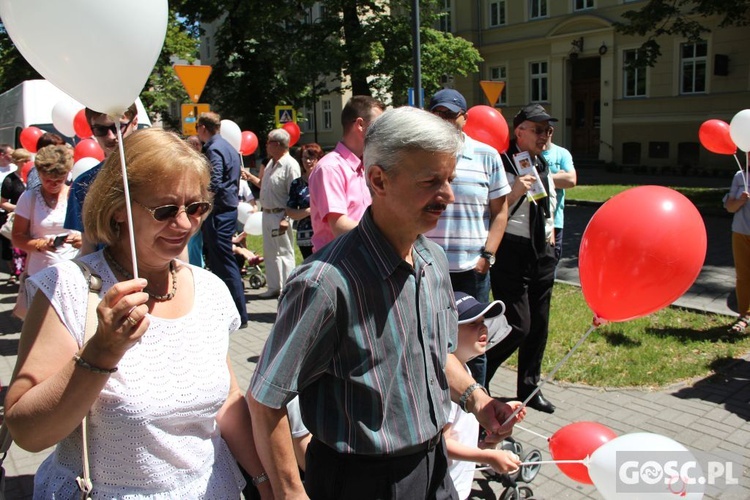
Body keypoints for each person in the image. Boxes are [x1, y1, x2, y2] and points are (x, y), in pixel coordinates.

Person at [248, 107, 523, 499]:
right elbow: (265, 400)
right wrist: (291, 492)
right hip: (361, 482)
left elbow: (437, 353)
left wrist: (478, 400)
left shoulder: (433, 260)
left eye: (449, 179)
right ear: (378, 180)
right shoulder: (324, 284)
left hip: (434, 467)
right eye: (431, 181)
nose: (446, 195)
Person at [3, 128, 271, 498]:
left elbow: (226, 401)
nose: (183, 224)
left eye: (195, 208)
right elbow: (27, 433)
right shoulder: (71, 287)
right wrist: (101, 352)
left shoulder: (209, 288)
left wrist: (265, 481)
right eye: (165, 210)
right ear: (118, 211)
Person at [425, 88, 511, 388]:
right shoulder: (421, 157)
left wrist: (488, 255)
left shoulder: (486, 156)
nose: (446, 121)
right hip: (429, 269)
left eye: (452, 115)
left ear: (464, 118)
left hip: (471, 269)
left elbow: (501, 211)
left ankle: (477, 414)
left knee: (475, 344)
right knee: (430, 339)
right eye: (439, 114)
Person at [487, 103, 558, 414]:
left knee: (539, 325)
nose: (545, 135)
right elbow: (491, 211)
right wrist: (514, 191)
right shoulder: (501, 162)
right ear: (520, 131)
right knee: (519, 324)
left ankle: (529, 389)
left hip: (541, 251)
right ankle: (478, 376)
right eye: (539, 129)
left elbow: (547, 201)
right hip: (511, 250)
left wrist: (551, 233)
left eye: (548, 130)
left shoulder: (541, 162)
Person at [445, 292, 522, 500]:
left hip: (459, 487)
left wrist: (487, 443)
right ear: (448, 333)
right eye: (471, 323)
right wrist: (487, 457)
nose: (483, 328)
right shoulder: (447, 388)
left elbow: (462, 440)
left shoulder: (466, 373)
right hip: (446, 490)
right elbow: (443, 446)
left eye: (483, 321)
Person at [307, 95, 385, 252]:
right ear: (360, 125)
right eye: (378, 126)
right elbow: (339, 226)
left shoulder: (365, 166)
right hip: (337, 265)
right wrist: (388, 232)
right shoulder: (330, 168)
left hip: (360, 258)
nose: (383, 133)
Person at [63, 104, 139, 255]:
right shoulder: (84, 184)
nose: (111, 136)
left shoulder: (159, 172)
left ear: (134, 122)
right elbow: (89, 247)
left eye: (117, 127)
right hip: (109, 274)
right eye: (101, 130)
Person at [196, 112, 248, 324]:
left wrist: (202, 201)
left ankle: (236, 311)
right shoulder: (227, 147)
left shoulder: (214, 148)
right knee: (221, 260)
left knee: (223, 261)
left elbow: (214, 180)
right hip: (226, 210)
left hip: (219, 212)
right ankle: (233, 310)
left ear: (203, 129)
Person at [12, 145, 81, 279]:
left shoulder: (76, 196)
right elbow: (17, 237)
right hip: (40, 272)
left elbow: (93, 235)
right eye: (48, 180)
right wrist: (41, 244)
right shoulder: (29, 198)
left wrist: (82, 240)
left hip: (74, 270)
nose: (53, 184)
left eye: (59, 180)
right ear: (38, 174)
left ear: (68, 174)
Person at [255, 128, 300, 299]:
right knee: (270, 252)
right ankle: (274, 286)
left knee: (284, 252)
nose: (266, 145)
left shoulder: (290, 165)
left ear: (277, 144)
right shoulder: (271, 164)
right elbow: (267, 186)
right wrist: (252, 179)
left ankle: (288, 288)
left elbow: (294, 194)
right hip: (267, 213)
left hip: (280, 214)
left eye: (268, 142)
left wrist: (287, 218)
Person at [541, 127, 577, 262]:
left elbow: (571, 180)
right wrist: (557, 177)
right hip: (533, 220)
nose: (540, 135)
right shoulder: (530, 153)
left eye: (543, 130)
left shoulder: (561, 153)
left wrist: (541, 178)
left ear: (550, 131)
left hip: (555, 221)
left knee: (551, 263)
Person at [286, 143, 323, 259]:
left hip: (325, 235)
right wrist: (310, 210)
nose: (307, 161)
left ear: (318, 159)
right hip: (305, 237)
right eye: (305, 158)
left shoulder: (326, 179)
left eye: (311, 158)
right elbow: (290, 211)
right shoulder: (296, 184)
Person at [724, 171, 750, 333]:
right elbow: (729, 207)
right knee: (743, 275)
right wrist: (740, 201)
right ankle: (744, 315)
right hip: (740, 232)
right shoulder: (740, 176)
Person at [0, 148, 30, 285]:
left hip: (32, 218)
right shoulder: (10, 180)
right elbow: (3, 203)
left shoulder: (33, 177)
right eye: (25, 161)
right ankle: (16, 273)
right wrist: (19, 208)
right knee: (16, 248)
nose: (28, 163)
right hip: (16, 218)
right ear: (18, 162)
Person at [0, 144, 18, 280]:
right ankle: (11, 268)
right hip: (1, 210)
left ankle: (16, 269)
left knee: (15, 241)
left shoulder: (14, 170)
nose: (12, 156)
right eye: (10, 153)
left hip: (12, 210)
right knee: (5, 242)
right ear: (2, 155)